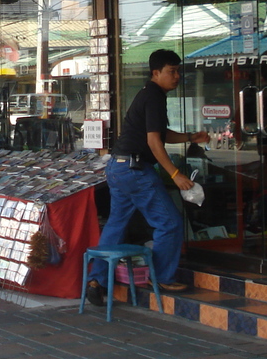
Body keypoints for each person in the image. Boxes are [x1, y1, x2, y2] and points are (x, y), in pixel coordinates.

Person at [86, 49, 209, 306]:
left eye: (178, 71)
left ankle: (96, 280)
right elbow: (154, 143)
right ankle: (161, 277)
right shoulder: (153, 96)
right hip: (134, 170)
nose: (177, 76)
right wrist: (175, 174)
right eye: (171, 71)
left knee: (116, 225)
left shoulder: (148, 94)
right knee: (170, 223)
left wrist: (189, 137)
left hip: (118, 167)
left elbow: (158, 134)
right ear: (156, 73)